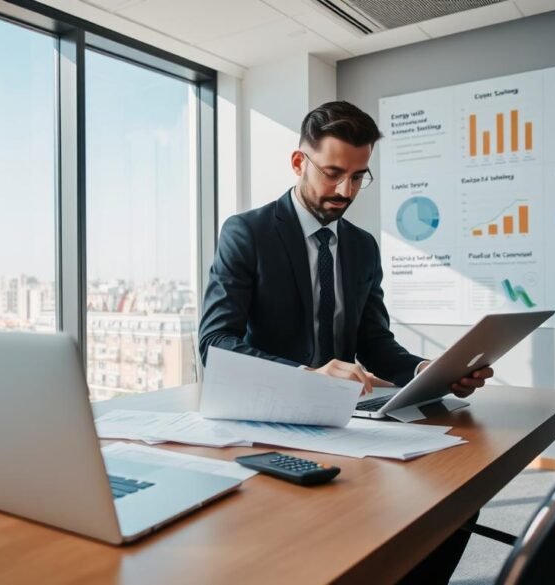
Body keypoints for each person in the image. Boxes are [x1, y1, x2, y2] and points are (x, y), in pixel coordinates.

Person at [198, 100, 493, 584]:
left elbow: (375, 343)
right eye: (334, 173)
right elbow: (215, 342)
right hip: (267, 420)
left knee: (454, 502)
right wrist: (307, 374)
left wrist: (429, 372)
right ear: (299, 162)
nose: (345, 190)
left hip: (343, 420)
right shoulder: (246, 233)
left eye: (358, 177)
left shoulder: (361, 246)